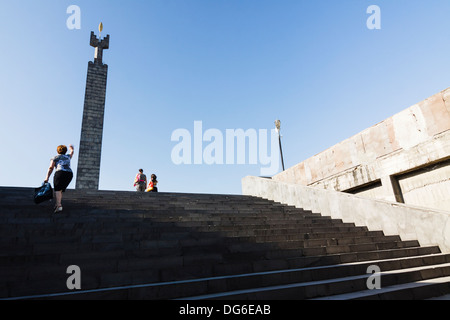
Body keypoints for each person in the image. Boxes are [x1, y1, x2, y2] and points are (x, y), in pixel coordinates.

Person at [44, 144, 74, 213]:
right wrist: (71, 149)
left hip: (60, 173)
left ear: (58, 151)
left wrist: (47, 177)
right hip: (69, 174)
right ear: (65, 151)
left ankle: (59, 205)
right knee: (60, 190)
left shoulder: (55, 158)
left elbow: (51, 168)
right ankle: (58, 203)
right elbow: (72, 153)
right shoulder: (68, 157)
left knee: (57, 189)